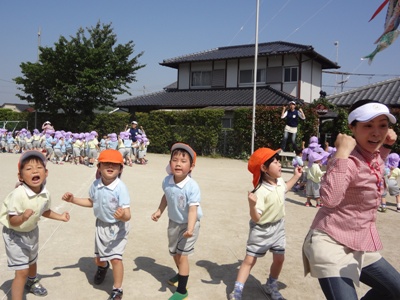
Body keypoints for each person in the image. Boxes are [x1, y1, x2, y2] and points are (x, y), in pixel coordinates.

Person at [302, 99, 400, 299]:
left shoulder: (372, 155)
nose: (376, 132)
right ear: (351, 128)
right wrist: (343, 152)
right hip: (330, 241)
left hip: (360, 242)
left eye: (383, 125)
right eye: (368, 126)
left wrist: (387, 144)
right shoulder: (347, 160)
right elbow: (329, 199)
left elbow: (376, 161)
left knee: (395, 290)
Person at [229, 148, 302, 300]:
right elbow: (256, 218)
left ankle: (271, 284)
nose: (279, 164)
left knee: (279, 258)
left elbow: (285, 188)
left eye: (278, 161)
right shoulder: (260, 191)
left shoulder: (279, 181)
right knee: (249, 260)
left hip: (278, 228)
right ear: (264, 168)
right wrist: (252, 205)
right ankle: (237, 291)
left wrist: (296, 176)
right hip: (261, 230)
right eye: (275, 162)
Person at [62, 149, 131, 300]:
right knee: (99, 259)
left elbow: (128, 214)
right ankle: (103, 267)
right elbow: (91, 202)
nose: (110, 166)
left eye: (115, 164)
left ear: (120, 169)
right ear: (99, 166)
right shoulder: (96, 185)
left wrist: (123, 216)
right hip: (101, 225)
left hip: (117, 226)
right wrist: (73, 199)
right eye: (106, 163)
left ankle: (117, 290)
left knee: (116, 258)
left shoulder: (120, 188)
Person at [0, 151, 70, 299]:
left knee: (32, 260)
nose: (35, 171)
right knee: (22, 271)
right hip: (15, 235)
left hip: (31, 231)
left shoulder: (45, 193)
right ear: (20, 176)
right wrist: (23, 217)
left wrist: (61, 217)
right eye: (29, 169)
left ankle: (32, 282)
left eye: (39, 167)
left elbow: (44, 211)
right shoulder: (18, 194)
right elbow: (12, 221)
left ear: (46, 172)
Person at [151, 143, 202, 300]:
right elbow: (166, 196)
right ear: (170, 163)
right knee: (174, 252)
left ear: (191, 166)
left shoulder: (192, 186)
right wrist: (160, 210)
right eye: (175, 160)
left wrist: (191, 228)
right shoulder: (167, 181)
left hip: (189, 225)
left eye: (183, 160)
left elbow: (193, 209)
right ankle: (181, 274)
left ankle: (181, 290)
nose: (178, 163)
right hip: (173, 222)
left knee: (182, 255)